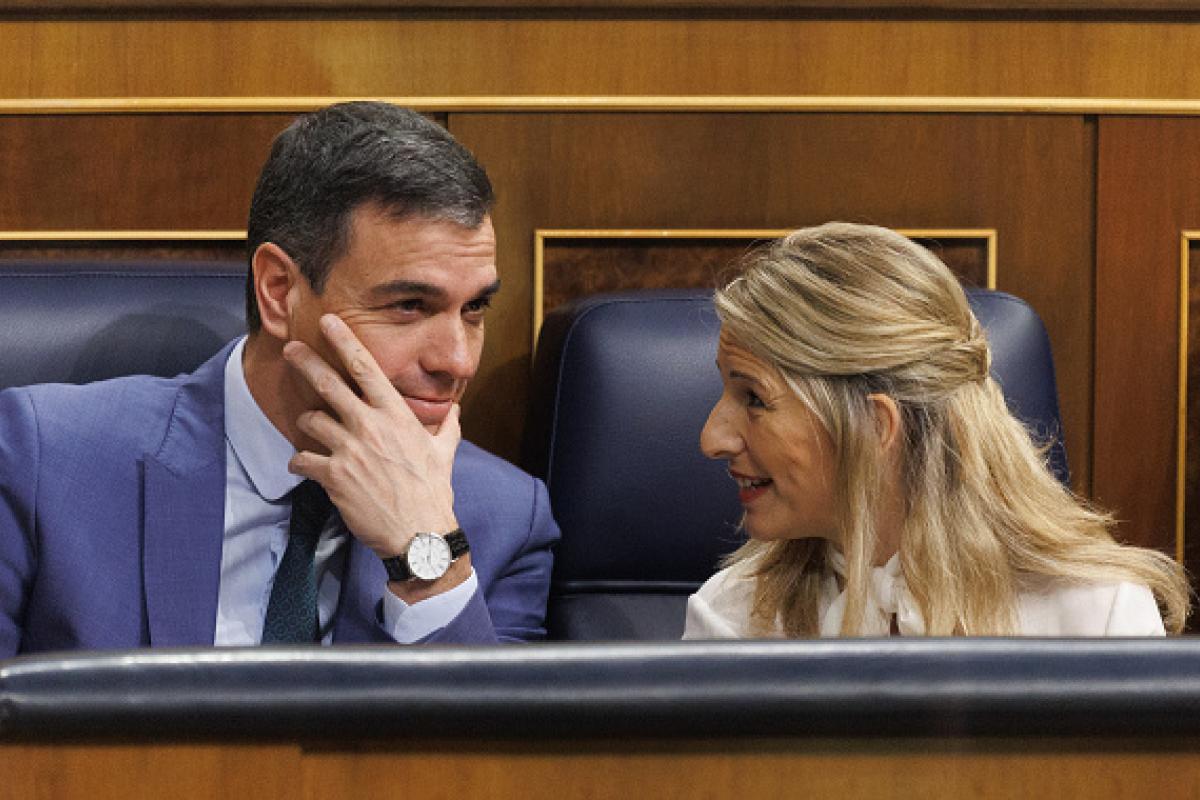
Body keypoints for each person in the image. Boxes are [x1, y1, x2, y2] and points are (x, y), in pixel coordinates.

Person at [0, 102, 558, 655]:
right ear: (279, 292)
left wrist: (426, 558)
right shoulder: (44, 461)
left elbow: (480, 744)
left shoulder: (502, 519)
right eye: (409, 305)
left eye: (474, 309)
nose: (457, 362)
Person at [684, 222, 1189, 638]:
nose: (713, 438)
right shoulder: (730, 620)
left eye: (753, 398)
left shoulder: (1096, 615)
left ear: (874, 425)